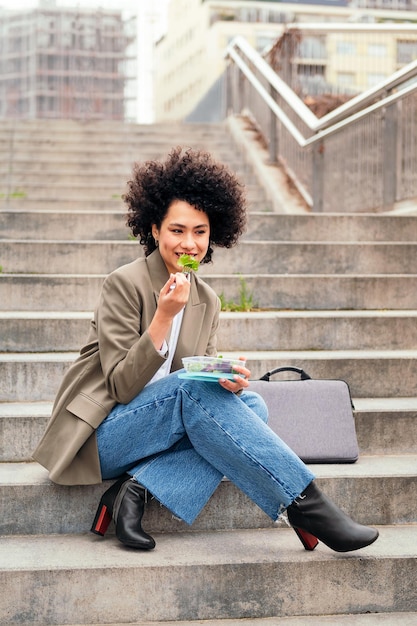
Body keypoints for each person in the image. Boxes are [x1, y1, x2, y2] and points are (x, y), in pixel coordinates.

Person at [33, 147, 379, 553]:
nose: (189, 244)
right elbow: (123, 387)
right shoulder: (124, 284)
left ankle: (135, 490)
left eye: (200, 232)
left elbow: (198, 380)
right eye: (177, 230)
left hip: (159, 430)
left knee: (253, 407)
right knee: (192, 390)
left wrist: (225, 380)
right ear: (155, 229)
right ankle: (305, 504)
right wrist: (163, 317)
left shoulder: (208, 300)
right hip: (101, 436)